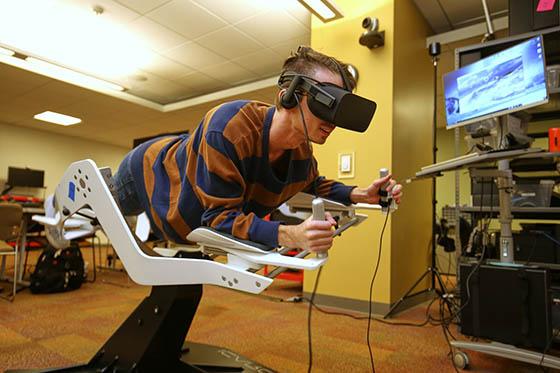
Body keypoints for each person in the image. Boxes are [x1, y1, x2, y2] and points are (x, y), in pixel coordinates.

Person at [113, 46, 403, 254]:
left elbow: (312, 183)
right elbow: (217, 220)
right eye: (326, 105)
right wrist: (291, 234)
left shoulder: (301, 151)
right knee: (102, 215)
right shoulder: (229, 127)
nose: (333, 122)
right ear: (288, 96)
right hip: (148, 170)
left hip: (188, 186)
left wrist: (359, 194)